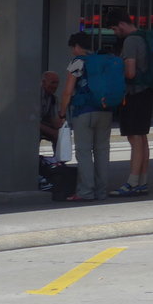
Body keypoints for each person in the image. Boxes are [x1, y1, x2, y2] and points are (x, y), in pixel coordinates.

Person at [58, 32, 113, 202]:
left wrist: (62, 112)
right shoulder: (103, 60)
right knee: (102, 152)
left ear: (76, 46)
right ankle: (102, 192)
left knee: (84, 152)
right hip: (105, 111)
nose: (72, 52)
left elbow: (68, 91)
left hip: (84, 112)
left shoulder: (77, 62)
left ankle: (86, 192)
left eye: (72, 48)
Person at [105, 12, 153, 197]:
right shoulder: (145, 37)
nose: (116, 33)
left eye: (115, 29)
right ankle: (142, 181)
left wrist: (116, 72)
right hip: (147, 92)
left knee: (134, 139)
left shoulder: (131, 41)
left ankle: (132, 182)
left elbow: (130, 72)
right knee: (142, 138)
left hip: (134, 94)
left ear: (121, 24)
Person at [39, 71, 61, 147]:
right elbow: (31, 122)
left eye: (57, 83)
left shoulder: (53, 99)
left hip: (41, 125)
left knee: (61, 135)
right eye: (53, 82)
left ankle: (58, 158)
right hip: (28, 126)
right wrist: (52, 132)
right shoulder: (34, 96)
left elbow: (54, 121)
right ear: (43, 82)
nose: (55, 86)